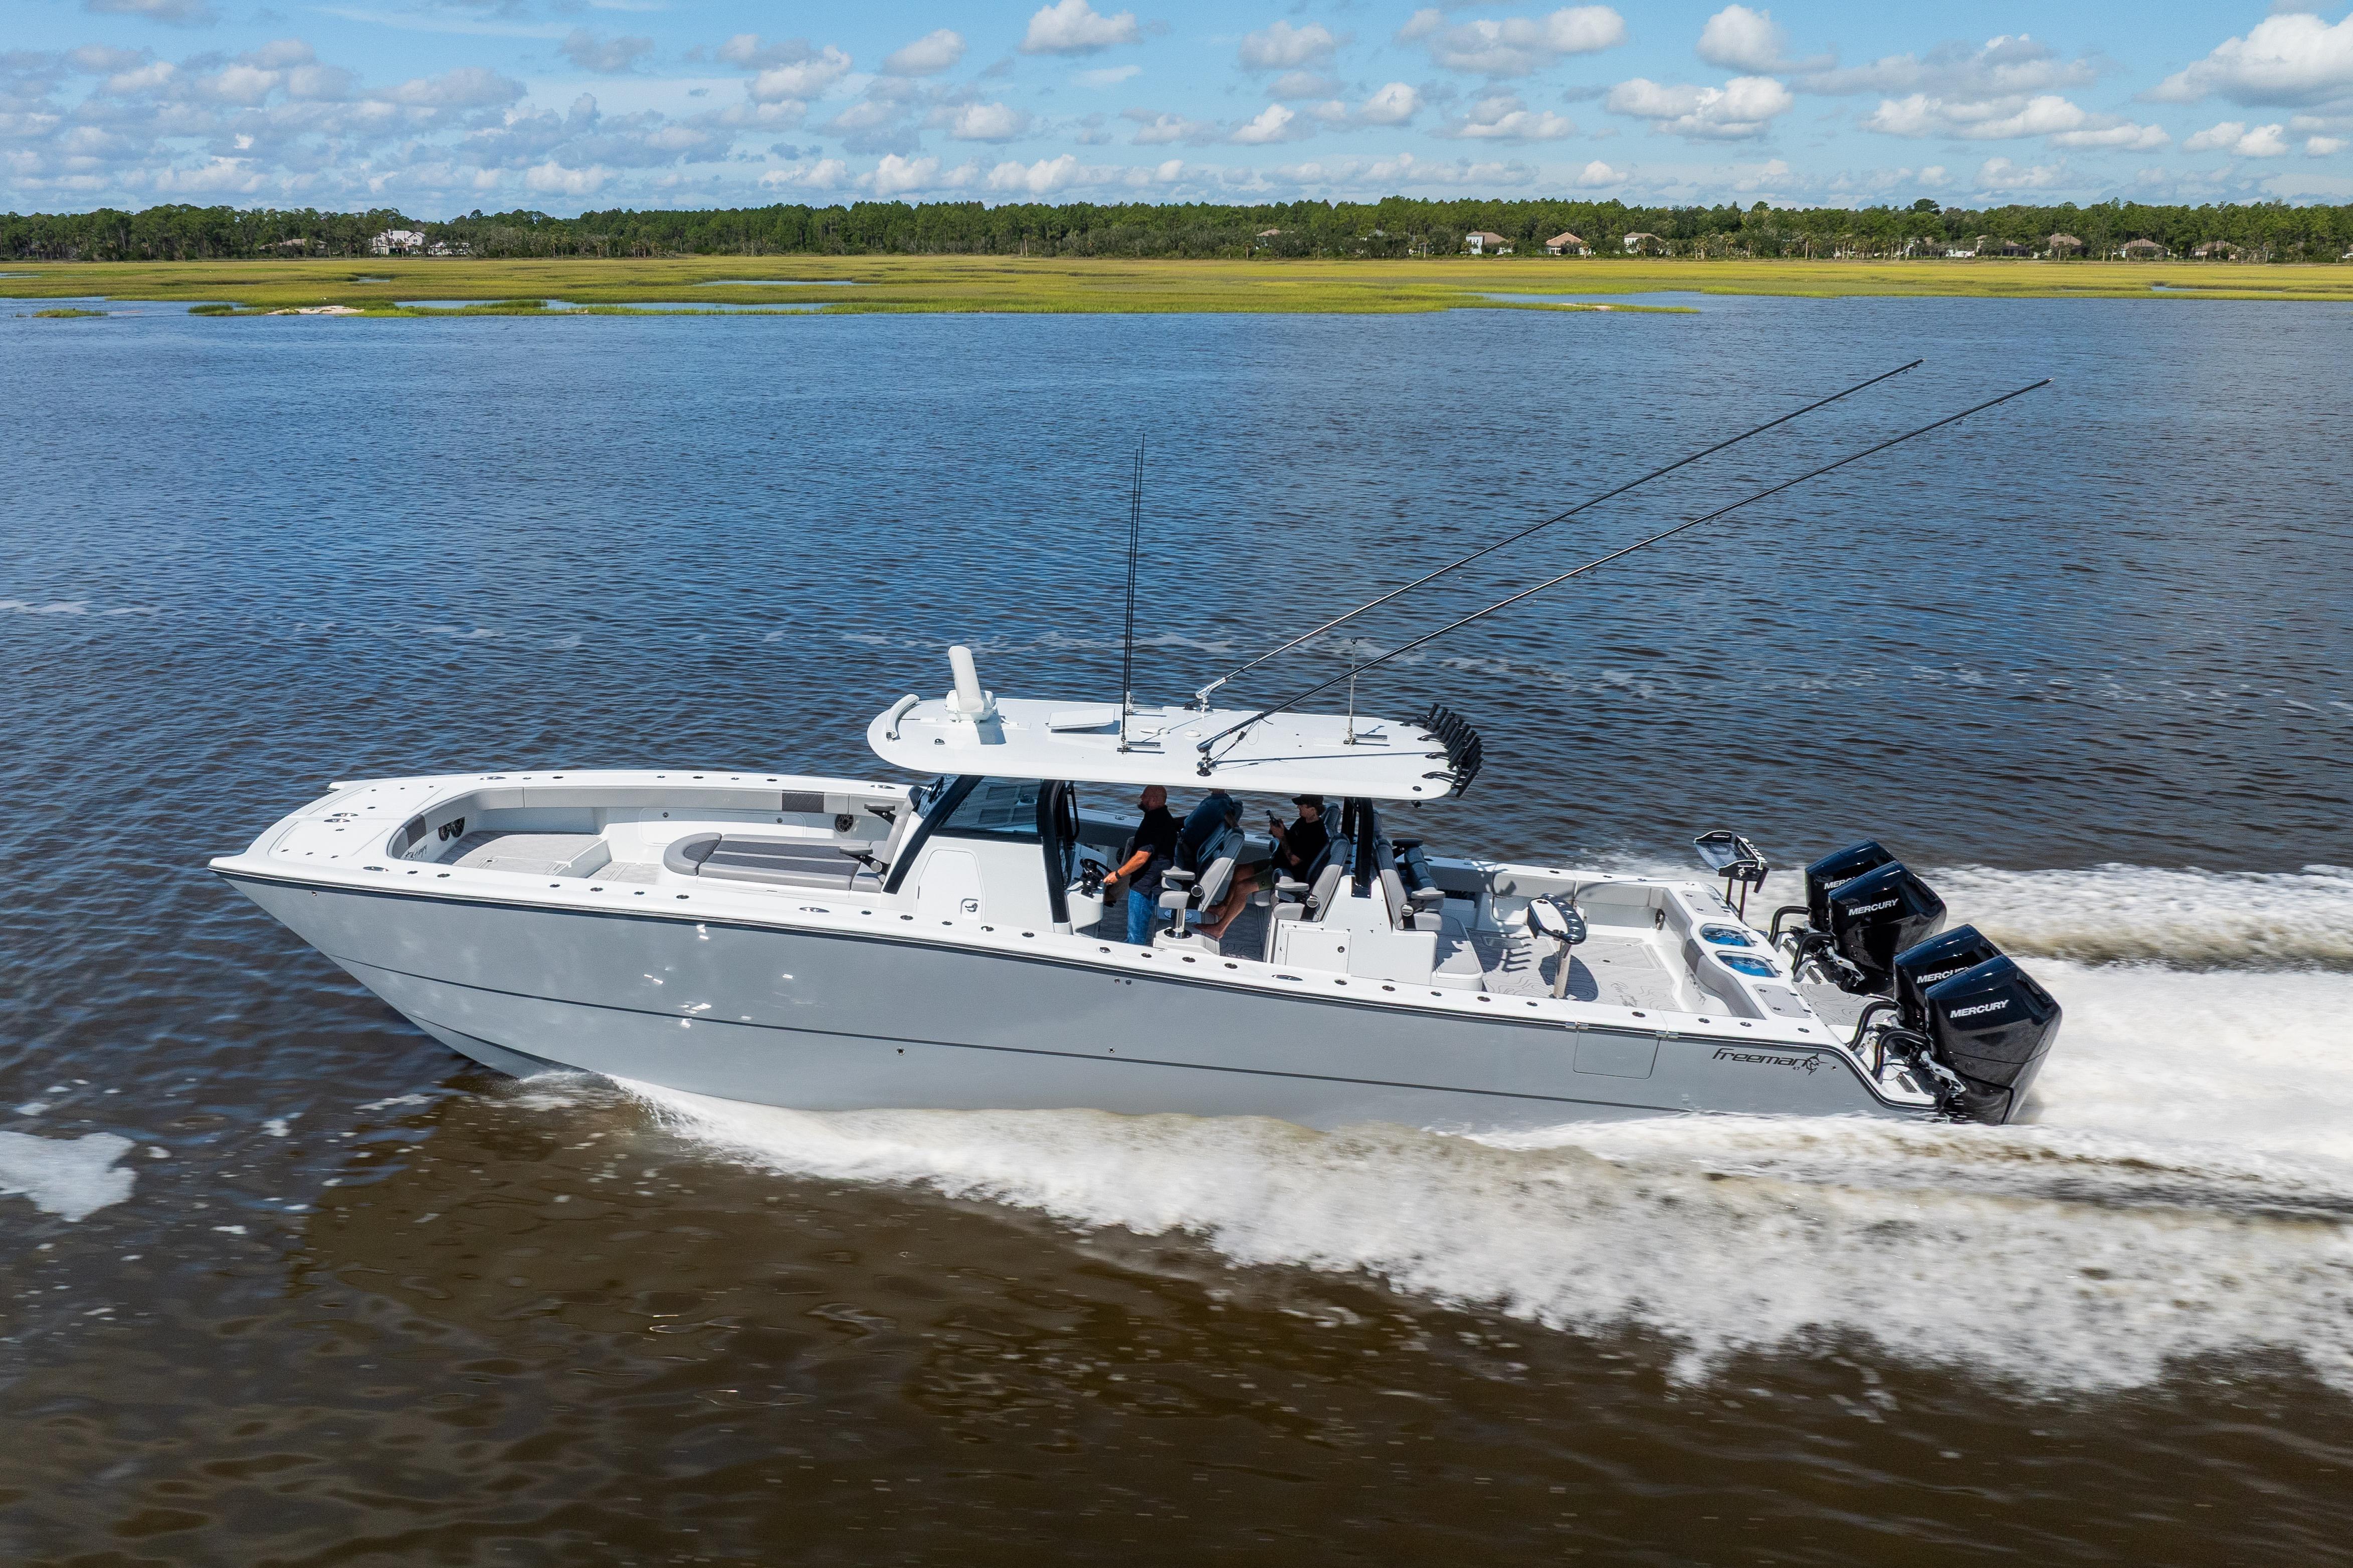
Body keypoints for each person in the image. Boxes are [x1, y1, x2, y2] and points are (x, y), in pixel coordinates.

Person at [1104, 785, 1180, 946]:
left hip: (1146, 884)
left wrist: (1117, 875)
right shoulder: (1160, 816)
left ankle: (1133, 951)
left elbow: (1141, 858)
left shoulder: (1155, 823)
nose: (1141, 798)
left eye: (1144, 796)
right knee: (1136, 929)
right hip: (1151, 878)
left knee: (1136, 934)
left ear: (1153, 800)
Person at [1266, 794, 1330, 886]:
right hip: (1275, 864)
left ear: (1313, 809)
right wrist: (1282, 830)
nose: (1298, 807)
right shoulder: (1302, 821)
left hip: (1286, 874)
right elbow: (1292, 840)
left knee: (1245, 885)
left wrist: (1281, 836)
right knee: (1244, 869)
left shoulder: (1316, 833)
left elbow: (1294, 860)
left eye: (1302, 805)